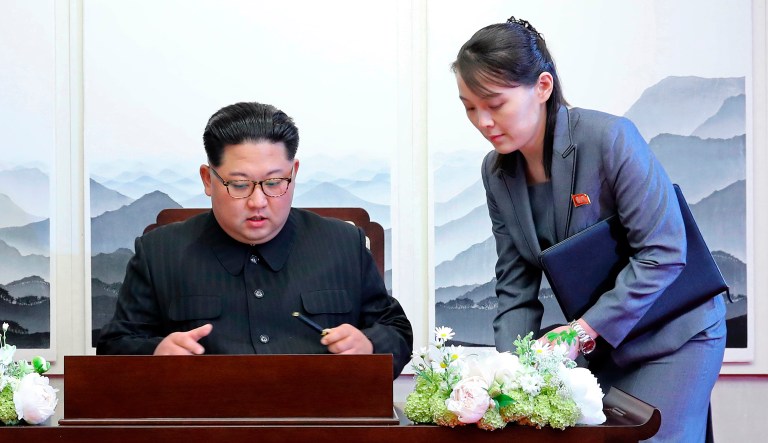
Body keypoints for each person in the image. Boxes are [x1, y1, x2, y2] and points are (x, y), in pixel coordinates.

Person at [452, 17, 726, 442]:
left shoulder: (612, 138)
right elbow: (514, 285)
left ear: (543, 87)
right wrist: (510, 374)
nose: (483, 120)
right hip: (603, 344)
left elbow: (665, 251)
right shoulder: (496, 173)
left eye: (494, 103)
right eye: (470, 107)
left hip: (674, 336)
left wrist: (582, 331)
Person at [97, 101, 413, 378]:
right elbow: (114, 346)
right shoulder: (160, 252)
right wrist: (156, 353)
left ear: (294, 173)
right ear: (209, 179)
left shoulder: (343, 243)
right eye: (239, 185)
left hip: (321, 428)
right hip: (203, 431)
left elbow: (395, 329)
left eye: (274, 182)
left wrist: (369, 345)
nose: (258, 201)